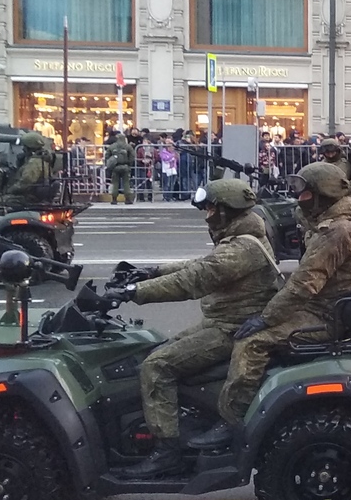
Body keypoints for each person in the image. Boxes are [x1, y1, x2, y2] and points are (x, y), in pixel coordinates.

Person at [114, 179, 282, 476]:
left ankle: (166, 452)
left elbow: (194, 279)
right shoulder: (239, 236)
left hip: (231, 330)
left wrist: (134, 292)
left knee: (157, 367)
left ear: (227, 211)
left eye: (211, 210)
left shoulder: (243, 248)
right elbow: (198, 264)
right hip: (222, 322)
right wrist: (149, 271)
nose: (207, 216)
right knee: (155, 349)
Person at [219, 163, 351, 435]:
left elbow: (304, 285)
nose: (299, 200)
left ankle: (234, 421)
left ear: (322, 195)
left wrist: (266, 318)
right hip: (320, 307)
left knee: (251, 342)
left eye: (305, 194)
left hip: (322, 315)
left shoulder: (337, 233)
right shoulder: (329, 226)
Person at [8, 131, 56, 206]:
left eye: (25, 146)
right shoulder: (42, 160)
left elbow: (25, 182)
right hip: (33, 195)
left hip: (28, 197)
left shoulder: (34, 162)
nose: (23, 149)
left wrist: (10, 190)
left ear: (30, 148)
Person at [103, 131, 135, 204]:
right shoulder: (128, 146)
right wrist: (129, 164)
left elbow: (107, 156)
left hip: (115, 167)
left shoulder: (112, 146)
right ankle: (127, 199)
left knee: (115, 183)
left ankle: (114, 199)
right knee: (126, 183)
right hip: (125, 166)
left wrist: (110, 164)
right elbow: (132, 156)